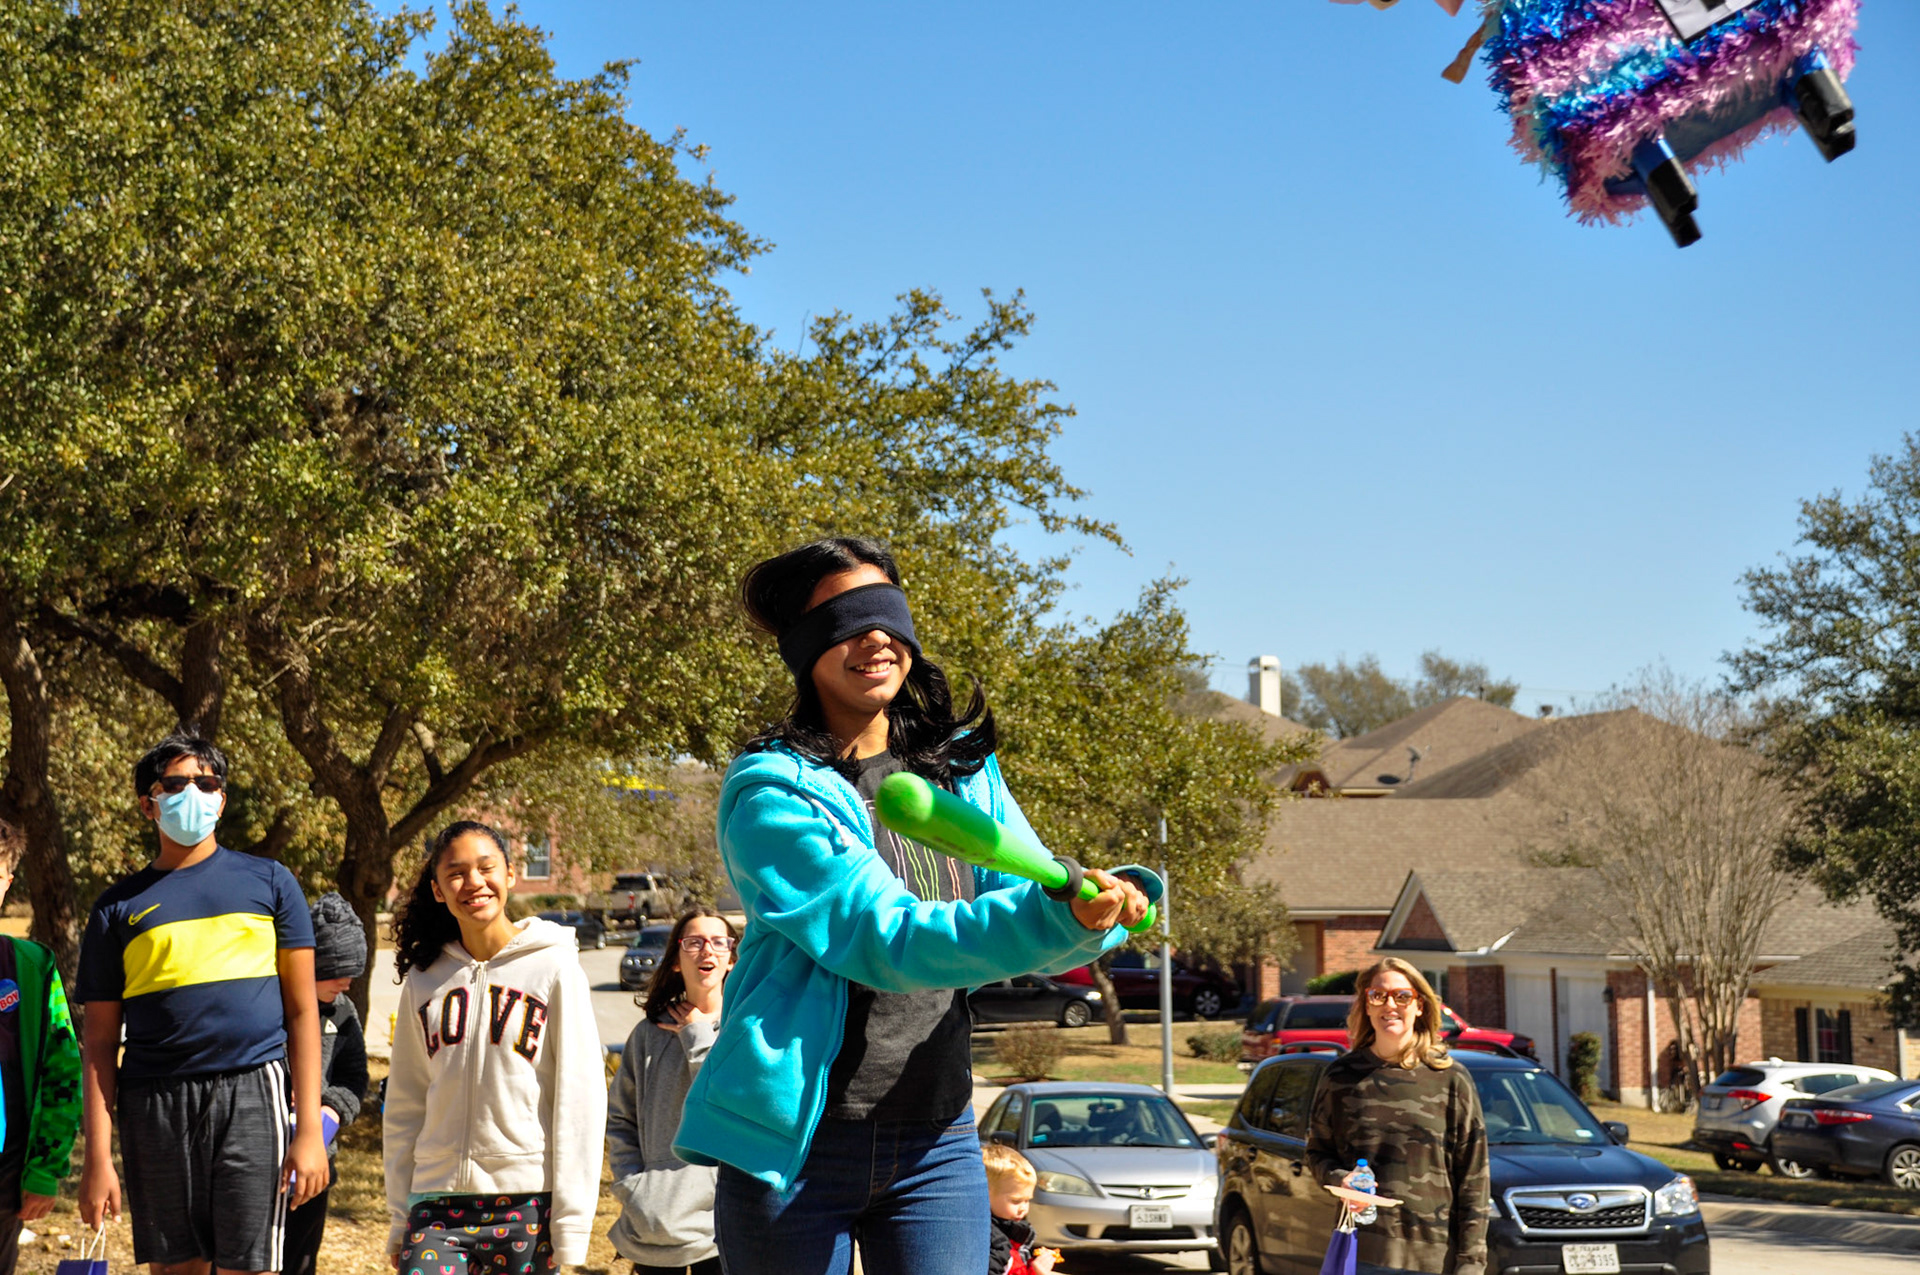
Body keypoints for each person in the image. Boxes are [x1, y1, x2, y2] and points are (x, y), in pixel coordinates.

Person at [673, 537, 1159, 1275]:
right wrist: (1054, 915)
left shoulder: (959, 766)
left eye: (887, 614)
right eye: (845, 619)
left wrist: (1089, 912)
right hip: (795, 1145)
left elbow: (1025, 909)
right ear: (804, 647)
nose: (875, 637)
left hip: (938, 1136)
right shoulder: (772, 792)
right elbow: (885, 939)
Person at [76, 731, 329, 1273]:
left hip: (254, 1089)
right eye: (175, 784)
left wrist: (309, 1128)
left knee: (250, 1265)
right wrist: (97, 1158)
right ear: (148, 804)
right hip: (154, 1101)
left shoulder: (271, 882)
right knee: (176, 1268)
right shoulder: (115, 909)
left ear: (222, 799)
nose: (193, 793)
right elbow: (98, 1043)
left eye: (207, 783)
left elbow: (303, 1011)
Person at [383, 820, 605, 1275]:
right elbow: (406, 1102)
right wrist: (399, 1217)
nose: (474, 882)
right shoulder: (424, 979)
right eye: (456, 873)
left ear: (510, 875)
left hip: (526, 1202)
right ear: (438, 890)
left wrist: (571, 1223)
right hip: (436, 1203)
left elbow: (579, 1099)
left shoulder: (555, 967)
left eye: (486, 868)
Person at [1306, 957, 1490, 1275]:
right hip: (1361, 1254)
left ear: (1419, 1006)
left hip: (1433, 1260)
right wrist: (1340, 1179)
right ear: (1366, 1006)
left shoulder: (1450, 1078)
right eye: (1378, 995)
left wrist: (1471, 1263)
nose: (1390, 1005)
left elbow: (1474, 1178)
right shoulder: (1340, 1077)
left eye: (1402, 996)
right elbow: (1316, 1153)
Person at [607, 907, 737, 1275]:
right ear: (676, 961)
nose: (707, 950)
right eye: (694, 942)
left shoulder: (744, 1029)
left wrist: (697, 1035)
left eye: (719, 942)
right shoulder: (648, 1034)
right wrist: (634, 1187)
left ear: (731, 959)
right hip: (655, 1221)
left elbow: (727, 1105)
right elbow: (620, 1119)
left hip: (725, 1222)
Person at [0, 823, 83, 1275]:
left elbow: (61, 1069)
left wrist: (46, 1168)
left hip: (5, 1173)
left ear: (8, 882)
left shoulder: (31, 967)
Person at [281, 893, 371, 1275]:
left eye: (354, 972)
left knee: (301, 1261)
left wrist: (331, 1111)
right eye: (338, 971)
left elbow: (355, 1076)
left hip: (316, 1166)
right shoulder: (270, 1003)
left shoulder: (343, 1012)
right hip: (264, 1162)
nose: (347, 983)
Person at [981, 1145, 1057, 1275]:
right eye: (1016, 1201)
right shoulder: (993, 1243)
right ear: (985, 1195)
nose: (1024, 1208)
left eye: (1027, 1200)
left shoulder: (1010, 1233)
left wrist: (1033, 1270)